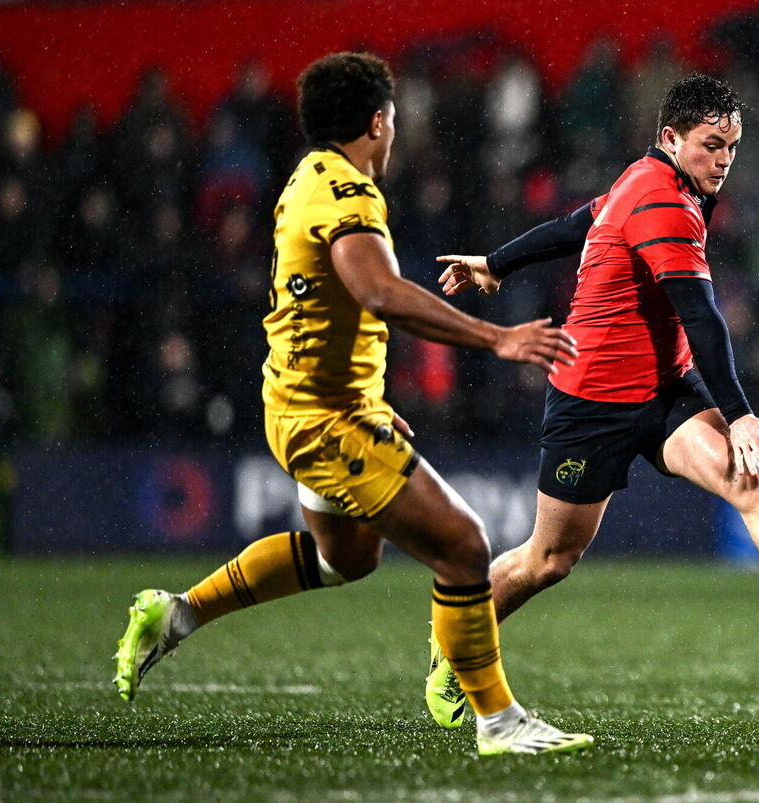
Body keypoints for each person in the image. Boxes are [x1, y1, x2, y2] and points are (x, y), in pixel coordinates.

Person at [112, 52, 592, 756]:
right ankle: (497, 719)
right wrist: (497, 338)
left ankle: (177, 613)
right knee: (464, 546)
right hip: (325, 419)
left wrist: (367, 394)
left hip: (306, 401)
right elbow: (378, 292)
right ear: (377, 122)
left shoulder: (305, 177)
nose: (395, 132)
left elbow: (330, 309)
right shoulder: (348, 194)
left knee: (344, 558)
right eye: (393, 120)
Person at [426, 74, 759, 730]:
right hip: (591, 402)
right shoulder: (661, 197)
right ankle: (452, 648)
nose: (723, 159)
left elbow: (579, 222)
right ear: (670, 138)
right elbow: (701, 312)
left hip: (666, 389)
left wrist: (497, 261)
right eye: (710, 144)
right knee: (548, 560)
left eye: (733, 146)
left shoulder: (660, 182)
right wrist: (742, 411)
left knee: (749, 482)